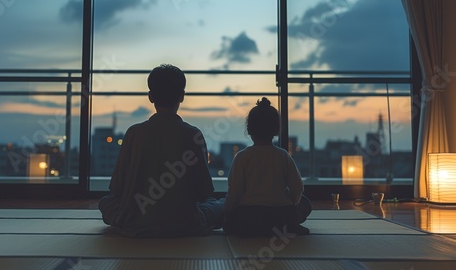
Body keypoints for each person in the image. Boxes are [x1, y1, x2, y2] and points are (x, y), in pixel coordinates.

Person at [99, 64, 224, 237]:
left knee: (106, 202)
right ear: (182, 96)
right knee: (217, 205)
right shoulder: (193, 134)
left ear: (150, 96)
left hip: (134, 221)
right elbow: (204, 192)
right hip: (184, 223)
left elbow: (117, 188)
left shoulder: (134, 133)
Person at [224, 97, 312, 237]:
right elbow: (297, 187)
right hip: (281, 217)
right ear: (276, 130)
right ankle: (289, 227)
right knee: (305, 203)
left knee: (229, 214)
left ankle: (255, 231)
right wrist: (291, 204)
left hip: (250, 218)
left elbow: (235, 191)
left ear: (249, 129)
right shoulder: (283, 156)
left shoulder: (242, 157)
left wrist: (228, 212)